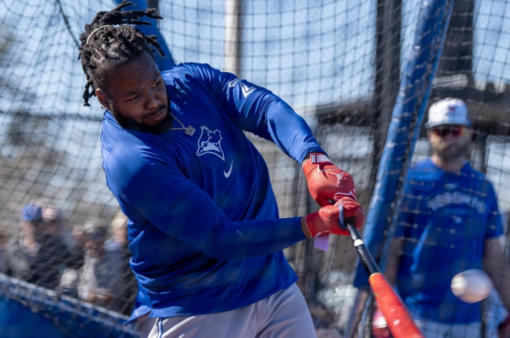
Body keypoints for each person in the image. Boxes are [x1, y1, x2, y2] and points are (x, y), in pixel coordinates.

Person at [77, 2, 363, 337]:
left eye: (155, 82)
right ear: (102, 98)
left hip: (272, 284)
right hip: (195, 308)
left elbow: (263, 107)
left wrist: (313, 159)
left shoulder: (189, 81)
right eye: (134, 96)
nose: (153, 99)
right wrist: (312, 225)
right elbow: (220, 239)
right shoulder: (130, 160)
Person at [376, 99, 510, 337]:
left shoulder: (483, 186)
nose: (449, 137)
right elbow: (394, 246)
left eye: (456, 130)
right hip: (417, 312)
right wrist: (383, 306)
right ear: (430, 134)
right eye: (441, 130)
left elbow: (494, 252)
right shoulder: (413, 181)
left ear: (469, 133)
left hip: (468, 316)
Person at [4, 203, 83, 290]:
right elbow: (6, 274)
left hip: (45, 298)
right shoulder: (12, 247)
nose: (36, 227)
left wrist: (77, 243)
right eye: (32, 223)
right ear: (23, 223)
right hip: (18, 297)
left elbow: (76, 263)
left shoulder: (53, 244)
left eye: (39, 223)